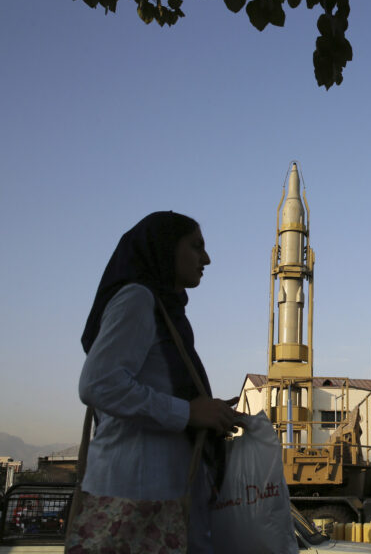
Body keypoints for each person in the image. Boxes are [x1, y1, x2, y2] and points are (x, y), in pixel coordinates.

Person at [68, 211, 242, 553]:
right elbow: (98, 383)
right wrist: (187, 413)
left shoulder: (167, 313)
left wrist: (206, 412)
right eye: (196, 246)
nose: (206, 258)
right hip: (136, 497)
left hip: (160, 498)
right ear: (165, 247)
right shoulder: (137, 299)